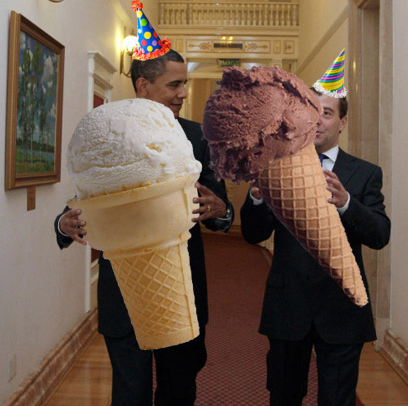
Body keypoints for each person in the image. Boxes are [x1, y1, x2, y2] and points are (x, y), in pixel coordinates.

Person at [55, 46, 234, 406]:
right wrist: (63, 223)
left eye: (185, 83)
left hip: (180, 287)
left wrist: (222, 210)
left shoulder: (199, 137)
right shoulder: (108, 133)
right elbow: (86, 197)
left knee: (178, 389)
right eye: (174, 84)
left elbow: (219, 206)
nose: (184, 93)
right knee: (129, 393)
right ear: (143, 86)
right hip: (123, 292)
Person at [240, 52, 390, 406]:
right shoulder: (276, 166)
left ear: (343, 122)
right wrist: (258, 197)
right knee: (284, 396)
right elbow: (253, 234)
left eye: (327, 113)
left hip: (342, 308)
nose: (317, 121)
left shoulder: (365, 173)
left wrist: (347, 203)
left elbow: (380, 234)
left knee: (337, 399)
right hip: (287, 305)